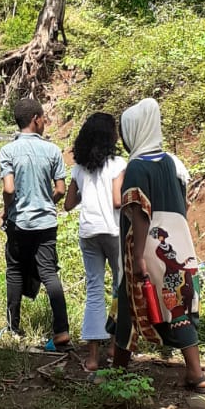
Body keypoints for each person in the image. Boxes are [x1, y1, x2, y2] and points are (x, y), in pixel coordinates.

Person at [113, 97, 205, 391]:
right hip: (178, 244)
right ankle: (195, 373)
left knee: (133, 302)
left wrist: (139, 255)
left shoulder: (136, 168)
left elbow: (140, 215)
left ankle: (118, 371)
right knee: (177, 306)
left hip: (149, 247)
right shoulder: (170, 162)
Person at [0, 97, 70, 350]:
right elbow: (60, 189)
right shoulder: (52, 150)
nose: (45, 122)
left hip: (19, 222)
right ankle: (62, 331)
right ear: (35, 119)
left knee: (15, 270)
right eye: (43, 118)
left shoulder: (8, 151)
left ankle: (12, 327)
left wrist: (7, 209)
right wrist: (47, 201)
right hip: (46, 222)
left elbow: (9, 189)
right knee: (49, 272)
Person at [64, 112, 125, 371]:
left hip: (88, 232)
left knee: (94, 289)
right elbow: (117, 201)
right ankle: (114, 345)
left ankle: (91, 357)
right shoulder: (118, 164)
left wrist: (85, 193)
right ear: (110, 136)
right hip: (113, 230)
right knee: (120, 287)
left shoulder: (78, 168)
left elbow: (68, 204)